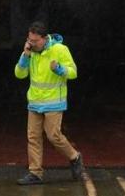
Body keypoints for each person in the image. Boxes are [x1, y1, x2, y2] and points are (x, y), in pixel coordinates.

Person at [13, 22, 83, 184]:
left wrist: (59, 69)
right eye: (29, 40)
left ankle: (74, 156)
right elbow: (19, 74)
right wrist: (24, 56)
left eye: (35, 41)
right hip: (35, 101)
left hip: (53, 102)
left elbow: (73, 72)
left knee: (54, 135)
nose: (31, 43)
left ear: (44, 39)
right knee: (33, 137)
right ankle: (35, 173)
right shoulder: (29, 52)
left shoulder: (60, 50)